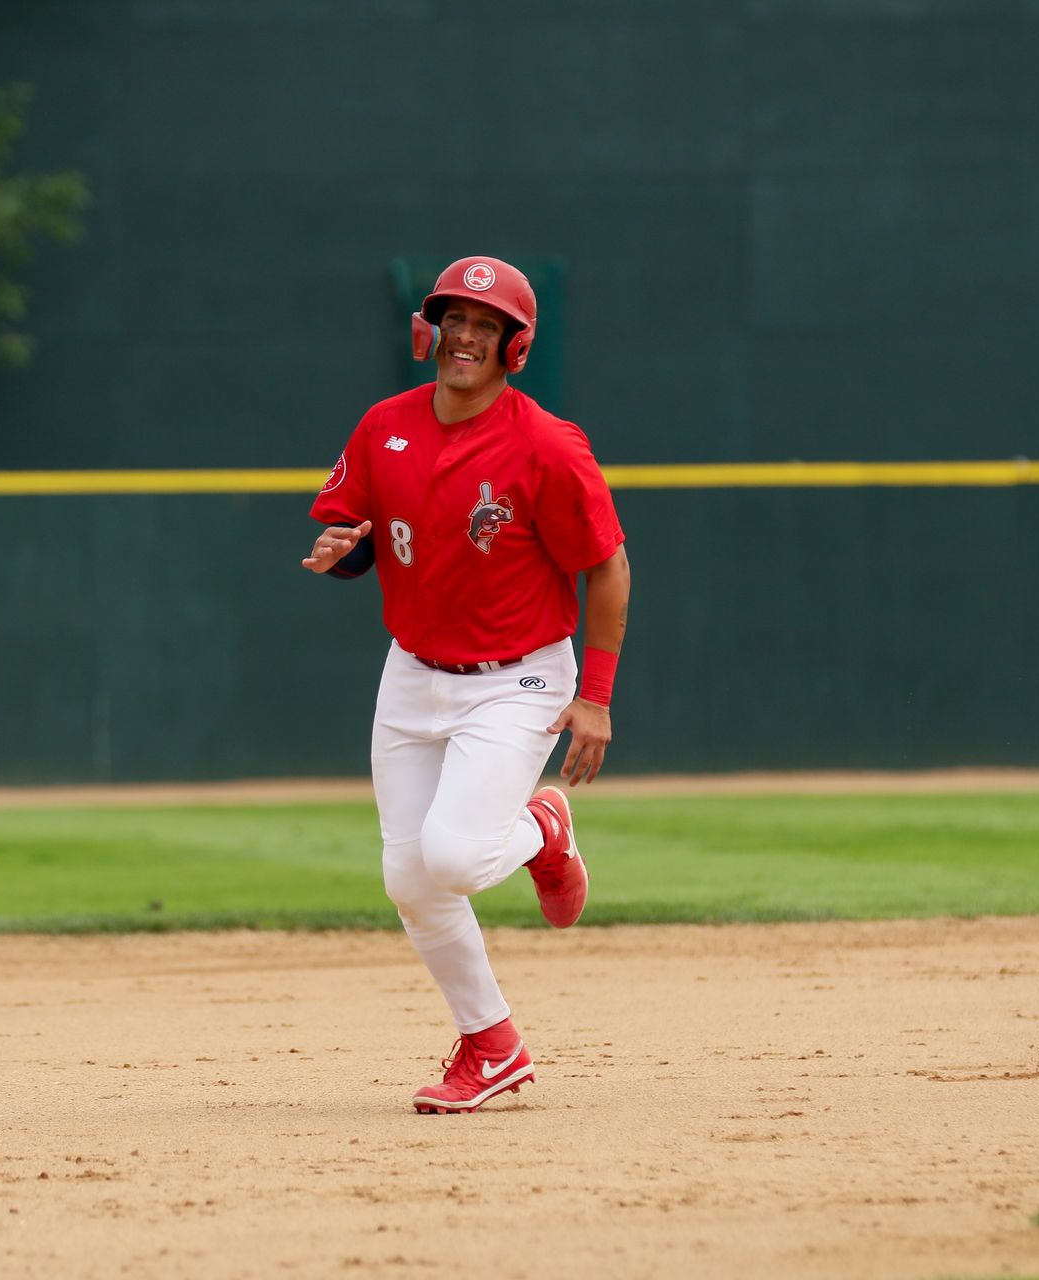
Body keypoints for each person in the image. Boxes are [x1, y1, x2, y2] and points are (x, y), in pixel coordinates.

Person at [302, 255, 631, 1114]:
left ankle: (542, 829)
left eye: (485, 326)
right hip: (412, 674)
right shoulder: (386, 426)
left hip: (517, 676)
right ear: (429, 331)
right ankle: (493, 1046)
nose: (465, 336)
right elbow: (361, 525)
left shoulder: (546, 446)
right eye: (454, 319)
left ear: (514, 346)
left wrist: (592, 698)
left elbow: (607, 568)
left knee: (450, 856)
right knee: (409, 880)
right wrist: (346, 553)